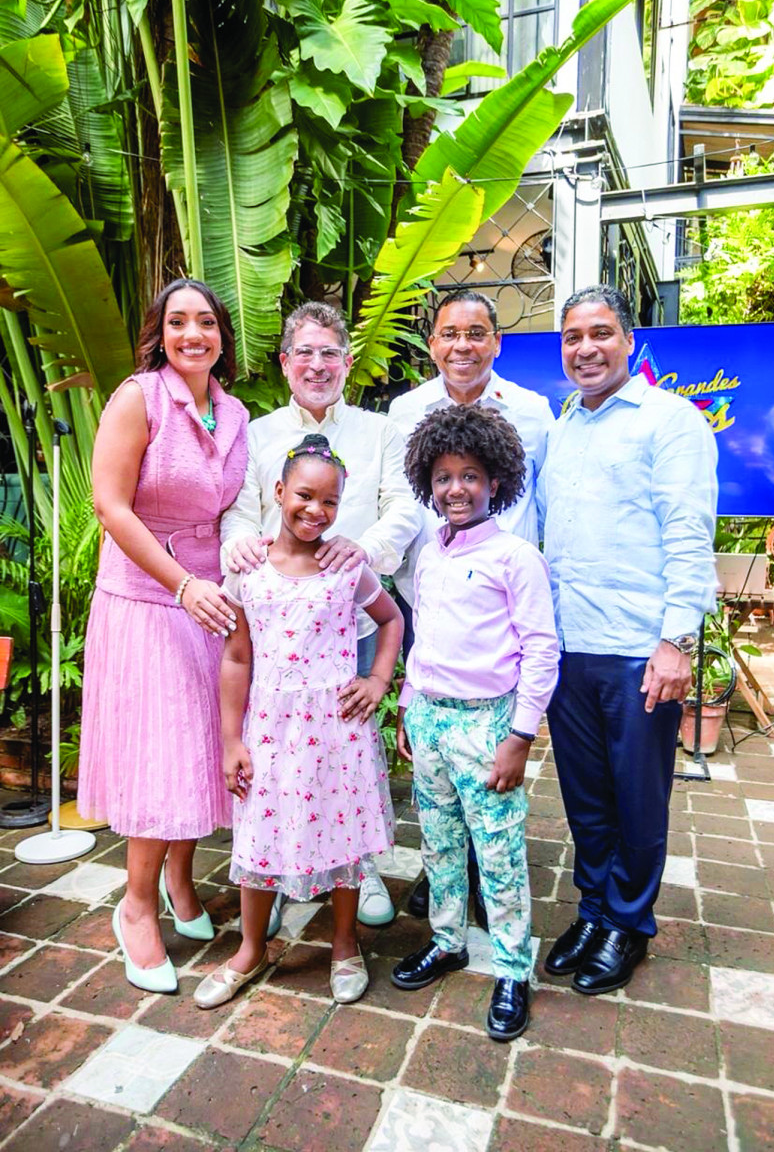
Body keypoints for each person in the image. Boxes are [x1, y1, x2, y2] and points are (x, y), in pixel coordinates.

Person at [540, 284, 718, 995]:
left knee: (637, 795)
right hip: (569, 645)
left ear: (629, 339)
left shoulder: (669, 421)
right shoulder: (561, 430)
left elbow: (687, 532)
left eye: (601, 333)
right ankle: (593, 908)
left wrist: (676, 639)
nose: (586, 348)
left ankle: (629, 921)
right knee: (586, 796)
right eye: (573, 336)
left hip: (639, 648)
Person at [220, 301, 420, 931]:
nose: (317, 363)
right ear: (284, 362)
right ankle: (279, 870)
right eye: (303, 351)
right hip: (278, 628)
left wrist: (364, 551)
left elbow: (404, 507)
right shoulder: (256, 434)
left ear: (347, 362)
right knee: (279, 764)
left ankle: (357, 875)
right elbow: (239, 510)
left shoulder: (379, 429)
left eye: (329, 352)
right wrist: (241, 546)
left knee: (347, 760)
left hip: (350, 622)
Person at [78, 279, 249, 993]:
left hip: (212, 598)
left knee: (202, 749)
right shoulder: (138, 397)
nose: (192, 334)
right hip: (150, 595)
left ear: (222, 336)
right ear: (159, 332)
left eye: (205, 322)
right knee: (161, 755)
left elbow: (238, 505)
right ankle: (137, 905)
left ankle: (182, 880)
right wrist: (180, 582)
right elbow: (109, 504)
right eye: (177, 321)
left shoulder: (236, 411)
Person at [194, 435, 403, 1009]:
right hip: (269, 725)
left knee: (342, 834)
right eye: (304, 496)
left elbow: (389, 621)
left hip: (336, 727)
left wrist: (378, 681)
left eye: (330, 502)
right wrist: (230, 738)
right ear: (279, 492)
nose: (316, 511)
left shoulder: (345, 567)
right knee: (260, 832)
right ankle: (251, 947)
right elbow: (236, 657)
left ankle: (343, 943)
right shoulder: (250, 571)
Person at [391, 405, 560, 1041]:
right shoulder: (428, 553)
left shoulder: (516, 557)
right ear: (427, 483)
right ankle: (447, 941)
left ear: (496, 482)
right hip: (430, 719)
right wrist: (408, 706)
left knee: (499, 854)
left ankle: (514, 969)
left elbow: (542, 650)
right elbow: (423, 637)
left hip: (490, 726)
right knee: (438, 845)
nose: (455, 489)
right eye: (442, 477)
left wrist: (519, 735)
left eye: (469, 476)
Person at [388, 288, 553, 926]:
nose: (463, 345)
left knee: (490, 769)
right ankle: (445, 887)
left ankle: (495, 888)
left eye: (477, 333)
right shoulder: (405, 411)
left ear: (496, 342)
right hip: (427, 604)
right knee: (436, 784)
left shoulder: (534, 412)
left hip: (501, 611)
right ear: (433, 343)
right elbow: (398, 505)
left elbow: (548, 503)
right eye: (450, 333)